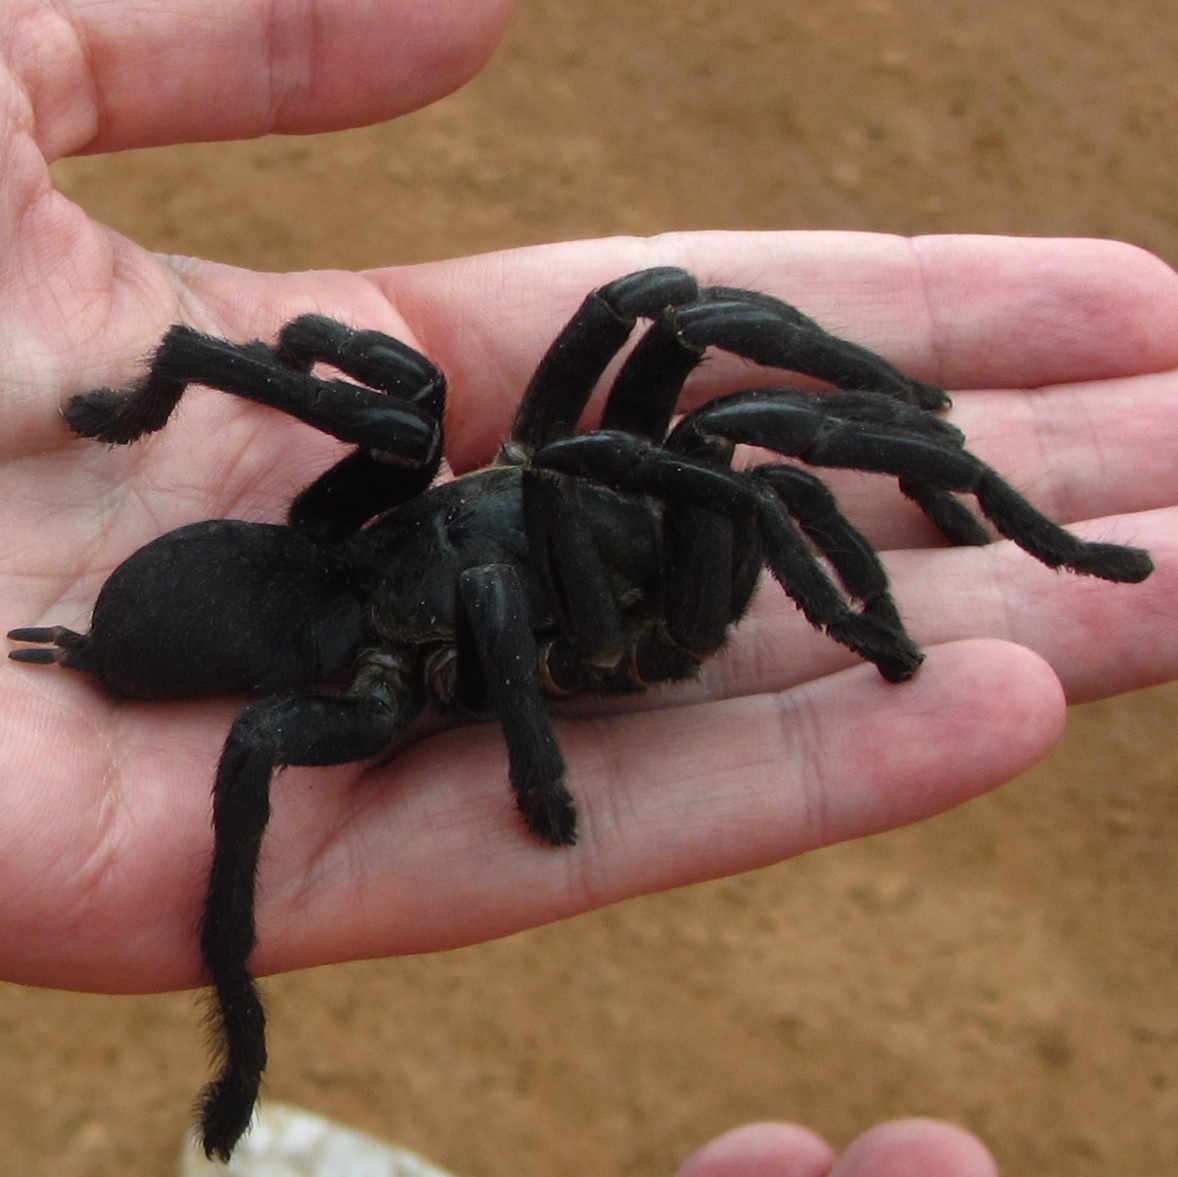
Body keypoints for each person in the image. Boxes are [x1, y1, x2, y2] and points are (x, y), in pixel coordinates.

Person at [2, 2, 1176, 1174]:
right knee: (369, 591)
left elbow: (682, 386)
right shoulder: (433, 608)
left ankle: (967, 480)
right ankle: (242, 1044)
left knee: (655, 310)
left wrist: (898, 421)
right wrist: (538, 772)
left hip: (338, 556)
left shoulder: (628, 482)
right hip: (322, 614)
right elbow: (479, 595)